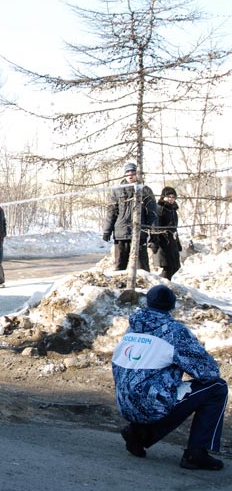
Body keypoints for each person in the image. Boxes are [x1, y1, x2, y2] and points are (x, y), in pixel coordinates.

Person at [112, 285, 227, 470]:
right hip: (149, 404)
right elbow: (208, 373)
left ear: (147, 302)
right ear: (171, 306)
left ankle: (138, 432)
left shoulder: (132, 327)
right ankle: (196, 453)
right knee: (217, 388)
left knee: (157, 391)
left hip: (124, 403)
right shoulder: (174, 331)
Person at [102, 162, 158, 271]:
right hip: (121, 233)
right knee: (120, 264)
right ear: (125, 175)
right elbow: (111, 212)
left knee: (143, 266)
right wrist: (107, 230)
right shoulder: (117, 190)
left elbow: (152, 214)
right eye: (128, 172)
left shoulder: (145, 190)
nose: (131, 175)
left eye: (133, 172)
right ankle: (120, 286)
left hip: (140, 233)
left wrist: (154, 234)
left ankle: (143, 286)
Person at [151, 186, 182, 280]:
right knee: (168, 267)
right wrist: (154, 242)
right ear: (163, 197)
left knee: (176, 266)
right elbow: (155, 227)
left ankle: (162, 282)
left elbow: (174, 228)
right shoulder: (159, 209)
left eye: (173, 197)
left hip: (172, 241)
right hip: (162, 241)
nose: (171, 199)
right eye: (169, 197)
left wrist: (178, 243)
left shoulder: (173, 210)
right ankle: (162, 284)